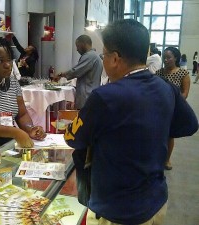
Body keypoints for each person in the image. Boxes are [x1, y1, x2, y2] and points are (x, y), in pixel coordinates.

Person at [64, 19, 198, 225]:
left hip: (117, 210)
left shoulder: (105, 96)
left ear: (115, 58)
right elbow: (189, 124)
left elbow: (73, 138)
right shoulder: (166, 87)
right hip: (156, 201)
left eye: (104, 55)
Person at [156, 47, 191, 170]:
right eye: (164, 57)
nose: (166, 60)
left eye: (169, 57)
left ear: (176, 58)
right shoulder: (159, 73)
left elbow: (185, 93)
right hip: (158, 108)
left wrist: (172, 103)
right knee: (157, 134)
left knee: (169, 135)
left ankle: (167, 159)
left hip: (173, 109)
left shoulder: (183, 73)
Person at [56, 35, 103, 109]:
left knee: (84, 119)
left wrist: (61, 75)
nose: (77, 49)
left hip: (86, 96)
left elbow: (76, 71)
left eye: (77, 46)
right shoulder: (95, 56)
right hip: (91, 94)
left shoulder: (89, 56)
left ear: (84, 44)